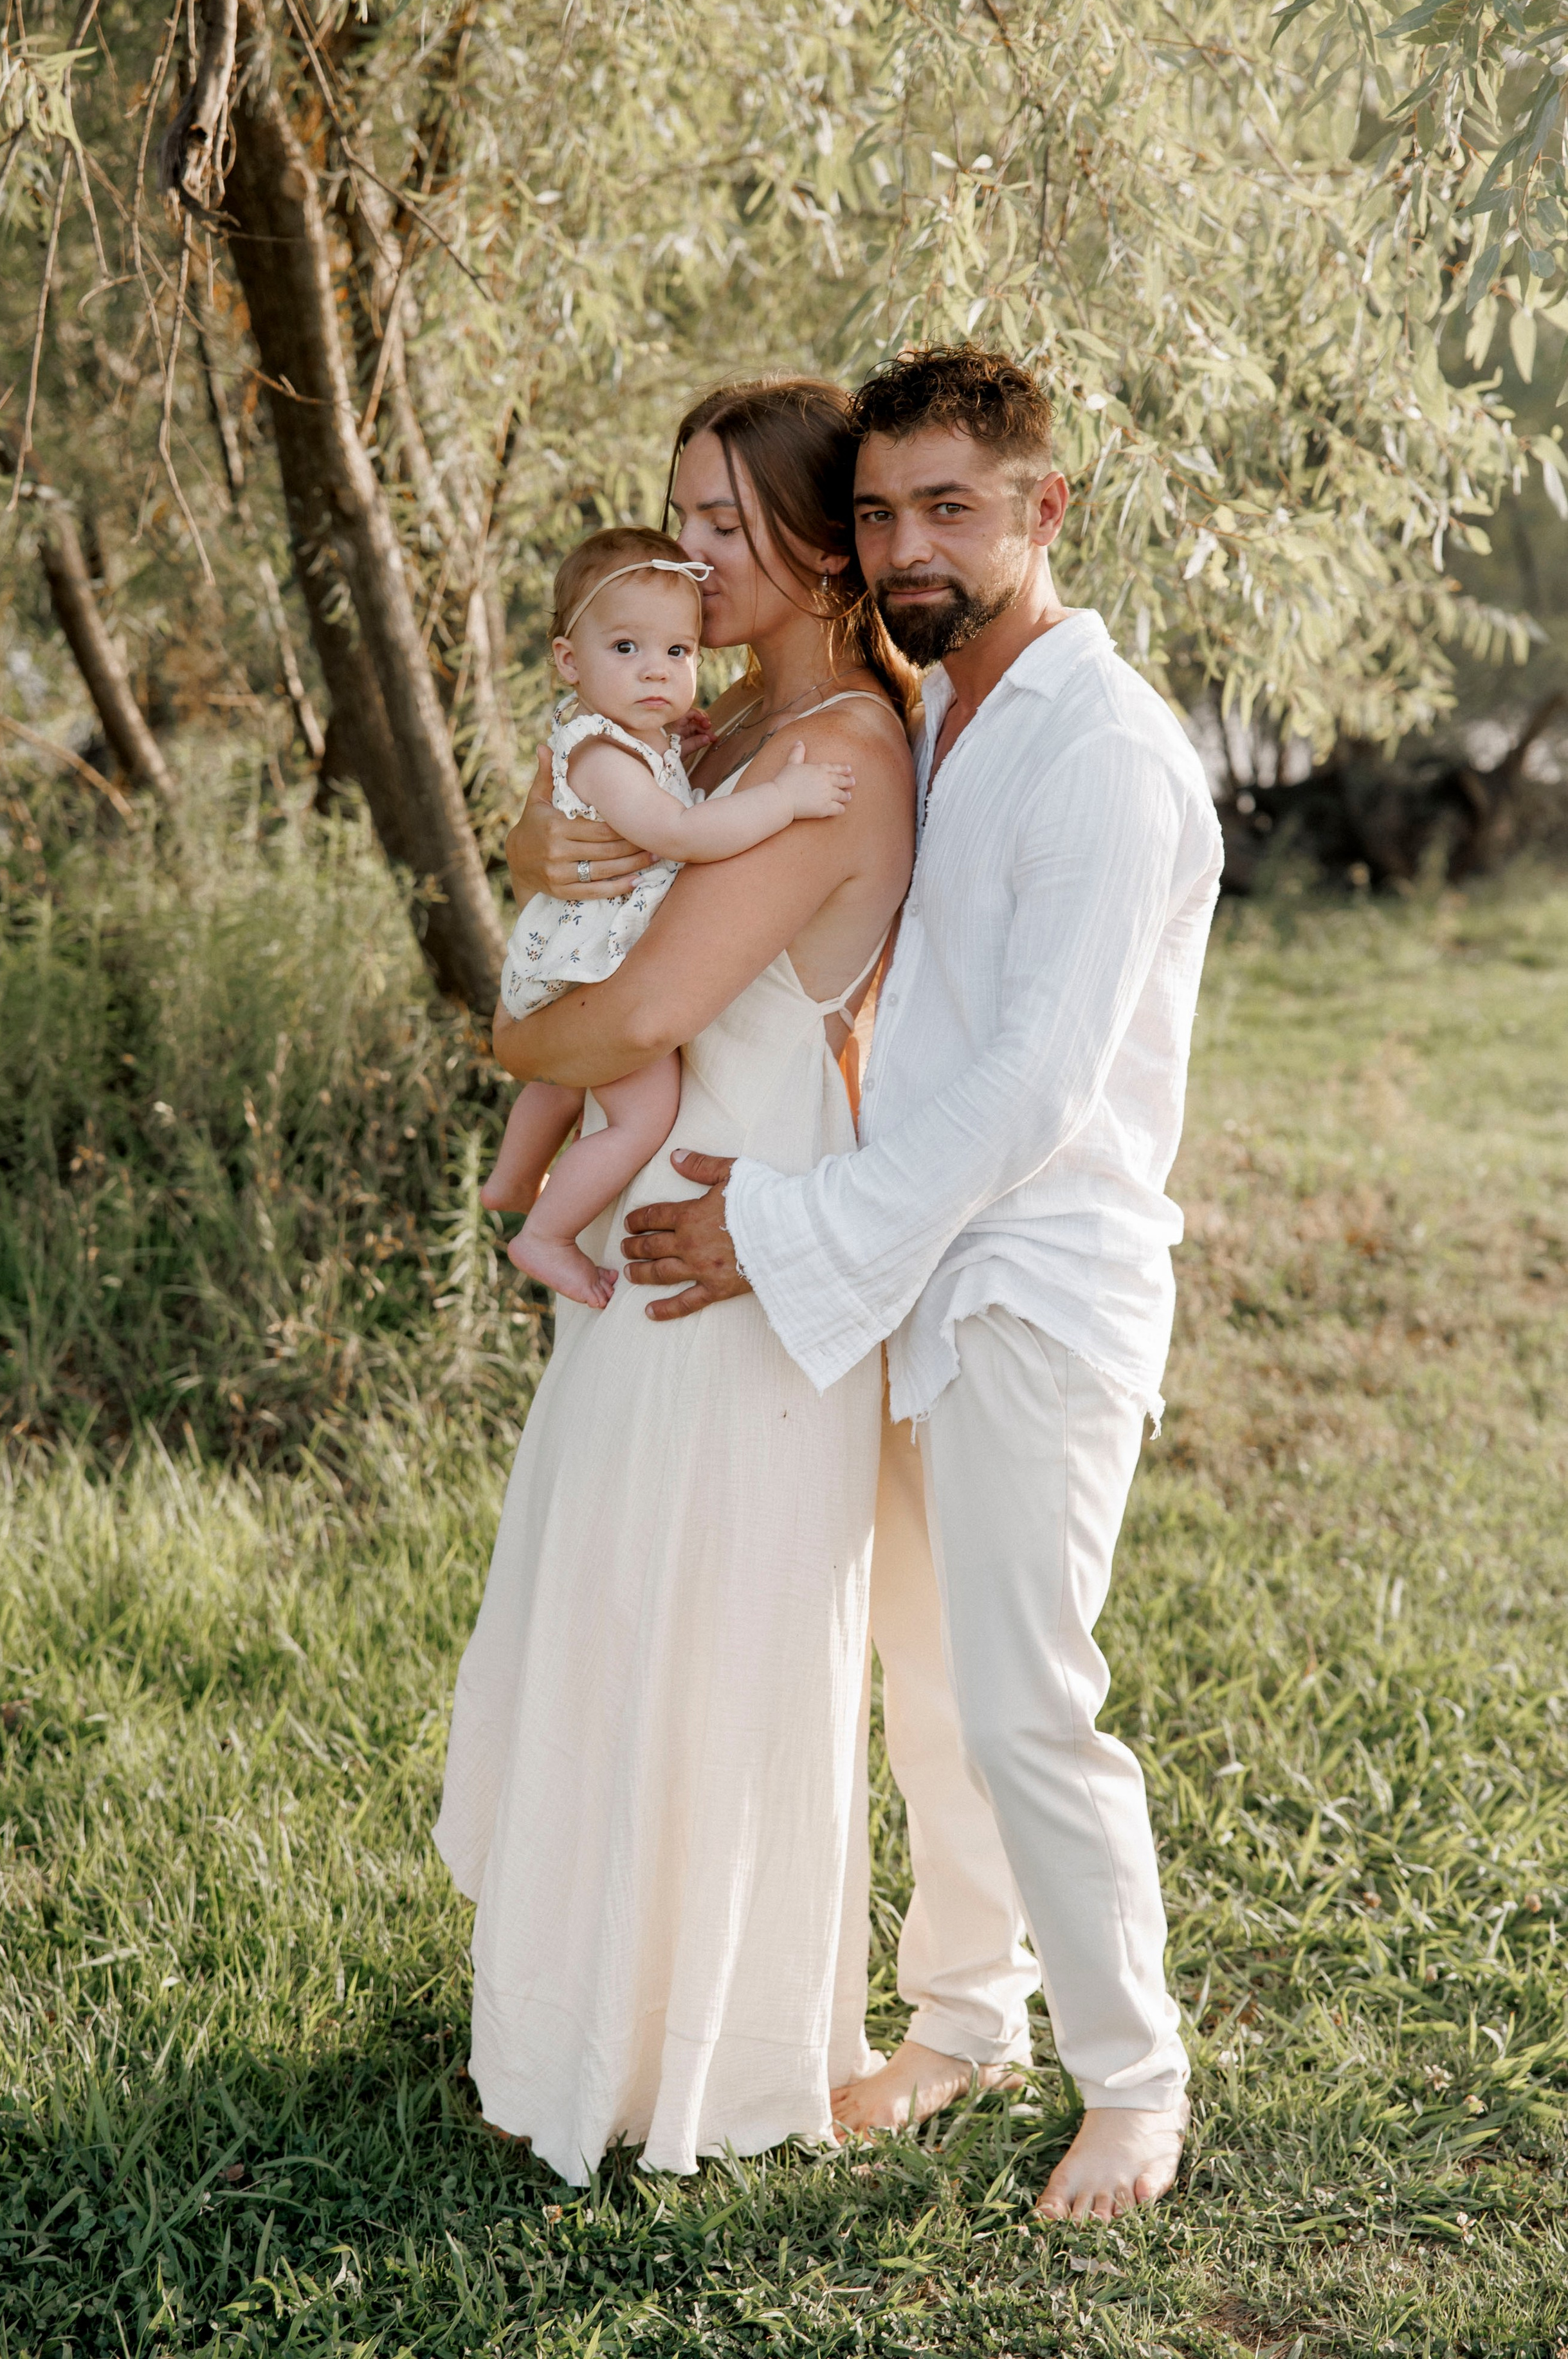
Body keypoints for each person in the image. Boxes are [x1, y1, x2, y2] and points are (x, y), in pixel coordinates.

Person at [511, 346, 1225, 2224]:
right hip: (892, 1261)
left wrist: (779, 1228)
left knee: (1019, 1697)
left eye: (949, 509)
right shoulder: (931, 717)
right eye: (887, 510)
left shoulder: (1106, 750)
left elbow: (1032, 1090)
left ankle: (1133, 2079)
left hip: (1028, 1278)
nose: (913, 542)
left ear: (1040, 509)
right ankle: (966, 2015)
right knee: (926, 1680)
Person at [434, 378, 916, 2185]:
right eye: (677, 519)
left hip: (738, 1266)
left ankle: (688, 2053)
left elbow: (630, 1015)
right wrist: (535, 927)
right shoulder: (705, 745)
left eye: (726, 525)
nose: (691, 557)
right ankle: (579, 2011)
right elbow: (588, 934)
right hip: (658, 1263)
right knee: (620, 1622)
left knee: (706, 1642)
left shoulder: (841, 755)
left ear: (816, 542)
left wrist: (509, 1037)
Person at [482, 525, 855, 1308]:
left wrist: (670, 741)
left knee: (561, 1080)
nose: (656, 670)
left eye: (678, 653)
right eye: (625, 649)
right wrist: (781, 799)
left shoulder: (628, 739)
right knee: (640, 1116)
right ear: (566, 662)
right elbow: (678, 834)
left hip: (577, 959)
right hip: (599, 962)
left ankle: (513, 1178)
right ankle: (544, 1234)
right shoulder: (600, 755)